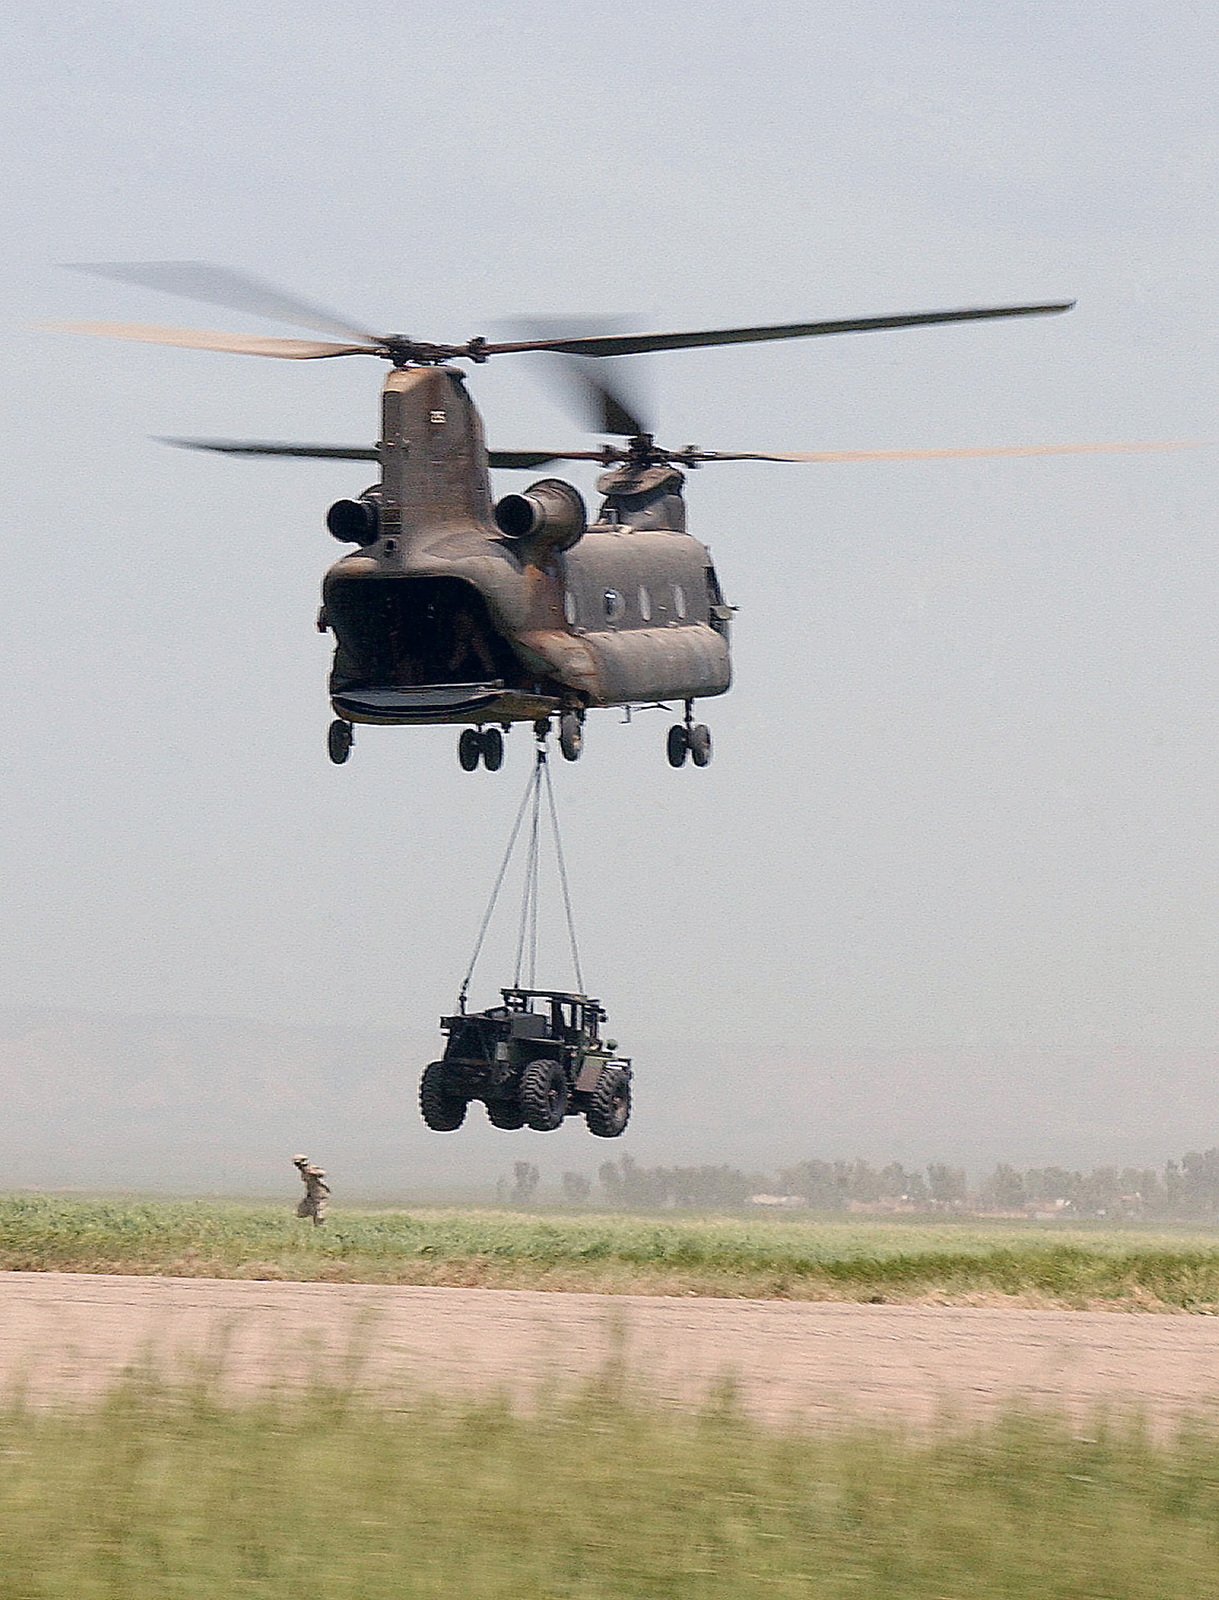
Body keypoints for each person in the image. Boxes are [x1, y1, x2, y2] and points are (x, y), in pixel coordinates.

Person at [292, 1153, 330, 1227]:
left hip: (320, 1194)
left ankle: (321, 1227)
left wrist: (313, 1172)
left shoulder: (311, 1169)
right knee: (301, 1212)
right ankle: (315, 1219)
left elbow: (323, 1173)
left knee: (320, 1213)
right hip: (311, 1194)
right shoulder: (303, 1172)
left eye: (297, 1164)